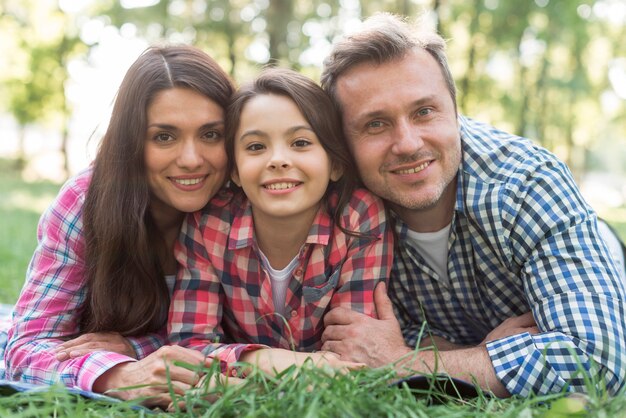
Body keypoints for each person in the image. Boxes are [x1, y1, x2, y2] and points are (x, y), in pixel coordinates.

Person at [319, 13, 626, 398]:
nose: (409, 143)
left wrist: (404, 363)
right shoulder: (342, 215)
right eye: (376, 124)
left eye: (424, 111)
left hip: (606, 252)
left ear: (455, 109)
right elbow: (356, 340)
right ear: (344, 144)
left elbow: (595, 362)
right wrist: (478, 355)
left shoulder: (528, 183)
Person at [4, 45, 236, 407]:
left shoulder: (248, 206)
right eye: (164, 136)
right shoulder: (85, 202)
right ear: (132, 140)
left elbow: (257, 336)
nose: (191, 159)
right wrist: (121, 374)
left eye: (211, 134)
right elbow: (25, 348)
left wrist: (137, 345)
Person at [168, 67, 393, 375]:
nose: (277, 159)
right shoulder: (208, 226)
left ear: (335, 164)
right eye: (256, 147)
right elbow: (188, 347)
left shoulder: (357, 217)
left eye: (300, 143)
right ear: (234, 170)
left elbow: (353, 355)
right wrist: (267, 361)